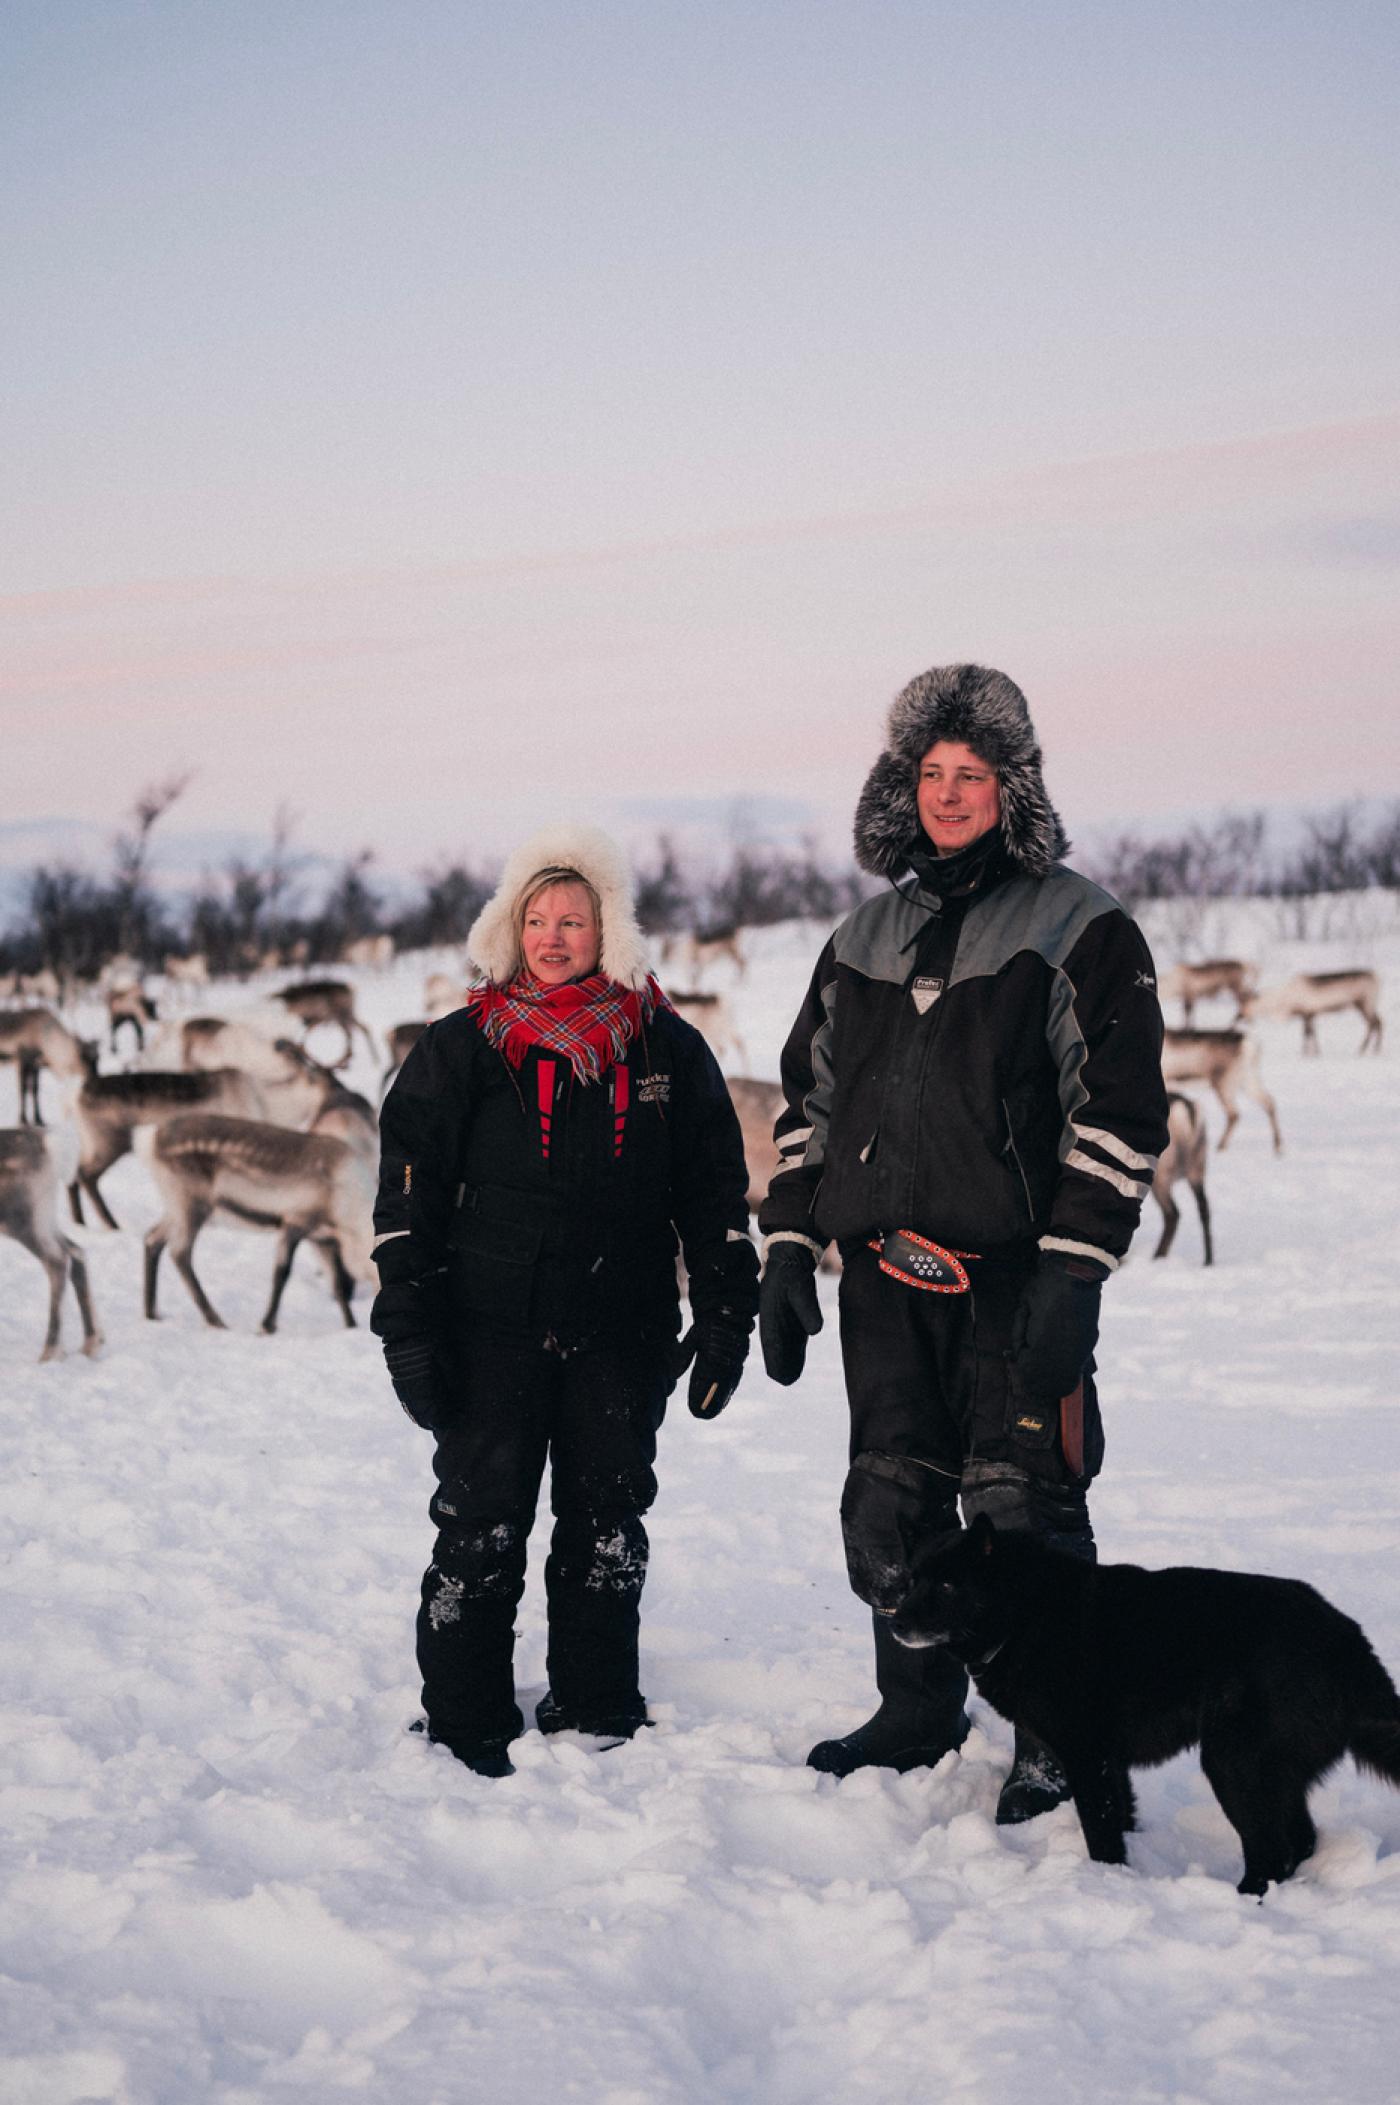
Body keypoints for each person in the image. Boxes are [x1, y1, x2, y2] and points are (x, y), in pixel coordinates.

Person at [758, 664, 1169, 1820]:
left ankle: (1054, 1732)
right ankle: (917, 1705)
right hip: (884, 1278)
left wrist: (1074, 1273)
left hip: (1013, 1280)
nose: (947, 795)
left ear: (1010, 784)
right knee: (889, 1502)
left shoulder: (1077, 925)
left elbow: (1122, 1113)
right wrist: (788, 1248)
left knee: (1016, 1508)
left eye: (970, 775)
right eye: (928, 774)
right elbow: (809, 1103)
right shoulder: (861, 935)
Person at [372, 825, 759, 1776]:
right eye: (536, 919)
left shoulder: (664, 1044)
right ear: (510, 927)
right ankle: (464, 1719)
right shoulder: (462, 1047)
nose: (553, 937)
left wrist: (723, 1315)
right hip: (487, 1328)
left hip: (620, 1330)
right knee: (480, 1522)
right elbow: (407, 1197)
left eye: (573, 920)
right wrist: (408, 1325)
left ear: (608, 929)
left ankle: (594, 1706)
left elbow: (712, 1193)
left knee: (608, 1520)